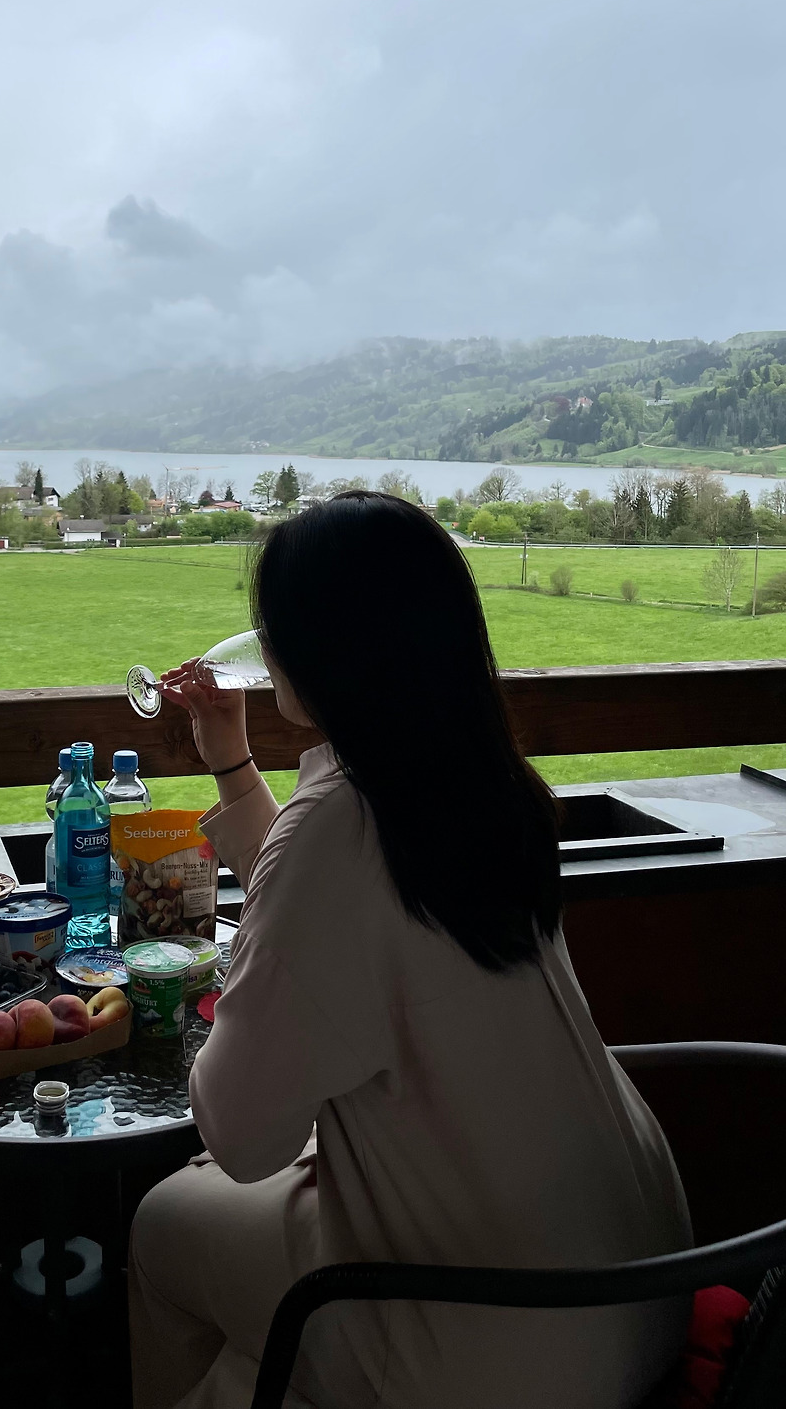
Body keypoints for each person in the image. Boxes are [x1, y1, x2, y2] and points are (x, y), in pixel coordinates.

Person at [128, 492, 691, 1409]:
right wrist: (232, 763)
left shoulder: (340, 827)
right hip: (639, 1277)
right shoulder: (484, 783)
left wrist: (234, 989)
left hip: (496, 1332)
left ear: (320, 649)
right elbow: (349, 915)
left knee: (164, 1222)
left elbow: (241, 1136)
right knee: (249, 1355)